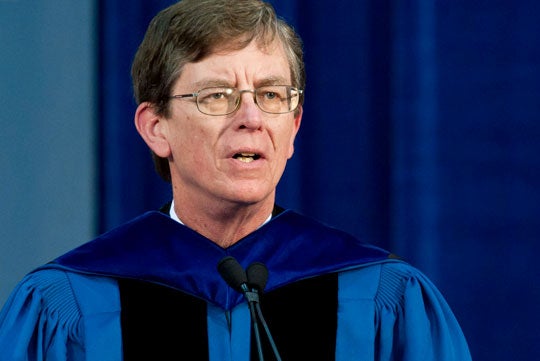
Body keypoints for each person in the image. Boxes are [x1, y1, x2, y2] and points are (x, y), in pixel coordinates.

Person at [0, 0, 472, 360]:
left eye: (271, 94)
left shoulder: (383, 299)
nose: (251, 117)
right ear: (155, 128)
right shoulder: (66, 305)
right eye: (218, 95)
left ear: (294, 129)